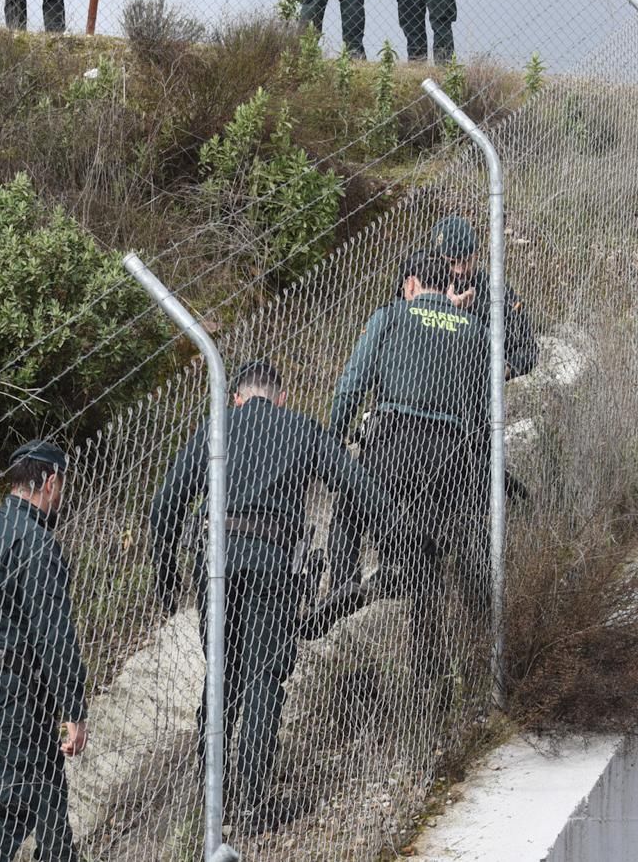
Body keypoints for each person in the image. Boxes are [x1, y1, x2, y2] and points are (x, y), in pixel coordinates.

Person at [148, 359, 389, 832]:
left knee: (220, 676)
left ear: (235, 397)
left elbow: (165, 503)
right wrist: (395, 531)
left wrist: (165, 575)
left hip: (216, 563)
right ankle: (255, 805)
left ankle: (214, 805)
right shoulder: (300, 427)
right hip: (273, 565)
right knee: (263, 678)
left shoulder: (215, 429)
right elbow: (356, 485)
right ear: (281, 398)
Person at [329, 251, 490, 692]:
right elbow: (483, 412)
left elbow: (352, 384)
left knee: (348, 504)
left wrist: (333, 442)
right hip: (450, 450)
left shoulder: (392, 316)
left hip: (393, 438)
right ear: (450, 287)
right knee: (430, 559)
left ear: (412, 284)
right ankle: (429, 670)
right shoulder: (475, 331)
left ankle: (344, 585)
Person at [0, 439, 87, 862]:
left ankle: (60, 855)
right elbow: (54, 633)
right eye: (61, 486)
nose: (61, 497)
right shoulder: (36, 544)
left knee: (41, 774)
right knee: (8, 801)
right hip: (12, 686)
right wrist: (74, 708)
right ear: (48, 482)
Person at [430, 215, 540, 377]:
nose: (459, 270)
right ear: (437, 259)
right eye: (452, 262)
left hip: (481, 387)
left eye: (465, 260)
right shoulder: (425, 286)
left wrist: (502, 370)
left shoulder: (495, 289)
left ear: (476, 254)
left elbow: (530, 350)